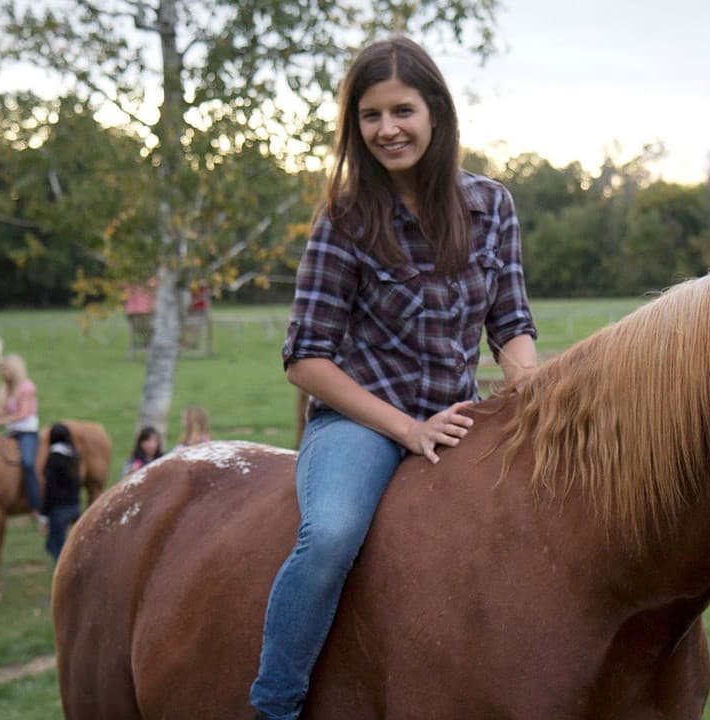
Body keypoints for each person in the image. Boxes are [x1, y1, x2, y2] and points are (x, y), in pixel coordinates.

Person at [250, 36, 538, 720]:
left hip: (460, 415)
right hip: (363, 422)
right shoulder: (344, 220)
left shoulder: (490, 206)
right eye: (371, 116)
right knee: (331, 536)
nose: (387, 129)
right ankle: (275, 704)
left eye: (402, 110)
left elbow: (510, 323)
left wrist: (533, 395)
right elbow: (306, 358)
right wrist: (408, 430)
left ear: (436, 111)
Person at [0, 354, 40, 520]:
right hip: (12, 432)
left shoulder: (27, 387)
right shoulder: (5, 389)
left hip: (27, 431)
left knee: (27, 463)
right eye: (1, 369)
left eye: (5, 369)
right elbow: (1, 411)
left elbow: (23, 414)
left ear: (14, 370)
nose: (2, 372)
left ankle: (35, 505)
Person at [40, 422, 80, 563]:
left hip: (59, 510)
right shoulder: (74, 455)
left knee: (55, 548)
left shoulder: (53, 459)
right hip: (75, 506)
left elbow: (50, 490)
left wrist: (43, 515)